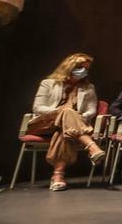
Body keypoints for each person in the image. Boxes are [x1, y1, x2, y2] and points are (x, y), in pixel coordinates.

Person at [27, 53, 105, 191]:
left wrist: (77, 117)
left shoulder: (88, 88)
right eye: (80, 67)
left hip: (72, 127)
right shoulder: (48, 84)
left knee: (64, 132)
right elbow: (38, 107)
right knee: (67, 112)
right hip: (45, 123)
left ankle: (58, 176)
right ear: (69, 67)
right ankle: (91, 146)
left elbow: (91, 110)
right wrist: (60, 112)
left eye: (86, 68)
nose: (83, 71)